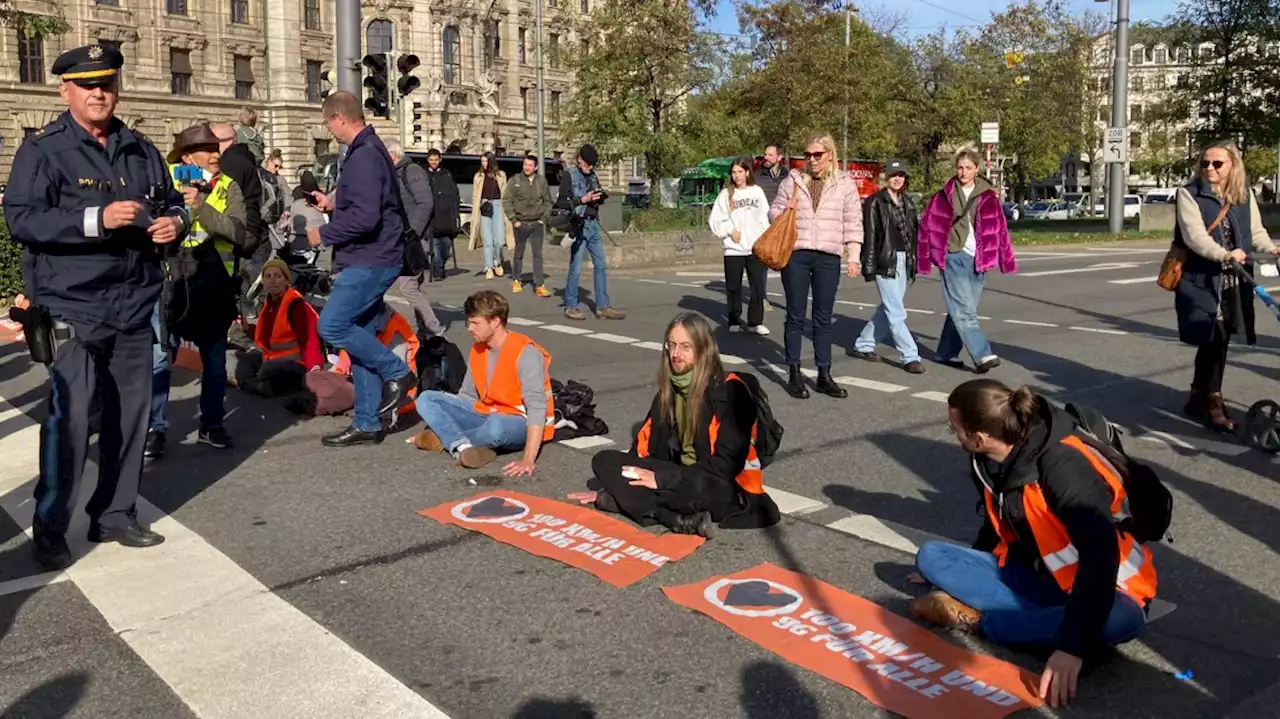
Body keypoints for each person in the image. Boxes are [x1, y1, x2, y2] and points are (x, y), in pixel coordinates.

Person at [3, 44, 186, 566]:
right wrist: (95, 220)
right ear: (66, 91)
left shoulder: (139, 146)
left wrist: (178, 222)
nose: (99, 93)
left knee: (130, 418)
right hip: (73, 306)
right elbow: (22, 220)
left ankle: (115, 515)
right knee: (73, 418)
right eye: (87, 85)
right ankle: (52, 523)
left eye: (107, 83)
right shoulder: (44, 149)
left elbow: (170, 200)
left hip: (133, 303)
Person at [912, 379, 1158, 709]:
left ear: (980, 436)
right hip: (1039, 577)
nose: (953, 433)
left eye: (954, 426)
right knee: (932, 557)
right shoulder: (987, 460)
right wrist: (962, 568)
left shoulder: (1063, 468)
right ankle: (1052, 624)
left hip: (1108, 587)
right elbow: (995, 522)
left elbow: (1100, 556)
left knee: (1120, 621)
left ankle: (983, 622)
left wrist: (1070, 648)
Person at [568, 312, 781, 536]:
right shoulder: (667, 392)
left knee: (693, 487)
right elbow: (642, 448)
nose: (675, 354)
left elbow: (725, 466)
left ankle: (638, 507)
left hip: (720, 485)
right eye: (671, 345)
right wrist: (616, 483)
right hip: (678, 475)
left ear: (703, 350)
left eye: (685, 347)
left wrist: (657, 481)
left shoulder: (731, 390)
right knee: (604, 461)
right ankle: (672, 518)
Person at [305, 91, 415, 447]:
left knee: (332, 324)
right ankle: (368, 422)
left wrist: (322, 233)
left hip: (370, 257)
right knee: (362, 335)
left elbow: (367, 217)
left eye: (328, 123)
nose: (330, 129)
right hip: (372, 255)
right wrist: (333, 202)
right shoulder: (368, 151)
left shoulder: (364, 155)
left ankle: (398, 372)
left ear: (339, 118)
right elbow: (367, 203)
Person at [149, 123, 252, 456]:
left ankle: (211, 425)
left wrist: (201, 208)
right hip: (172, 283)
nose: (214, 155)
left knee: (215, 361)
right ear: (186, 156)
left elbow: (239, 233)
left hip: (215, 284)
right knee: (162, 358)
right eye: (207, 150)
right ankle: (155, 428)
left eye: (216, 148)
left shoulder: (227, 186)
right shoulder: (166, 183)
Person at [1172, 139, 1280, 433]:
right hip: (1203, 278)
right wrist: (1224, 254)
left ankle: (1197, 395)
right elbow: (1195, 236)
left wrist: (1271, 249)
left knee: (1219, 338)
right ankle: (1213, 401)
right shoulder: (1189, 194)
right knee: (1213, 338)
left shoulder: (1243, 195)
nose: (1209, 168)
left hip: (1235, 279)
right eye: (1205, 162)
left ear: (1232, 165)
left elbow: (1255, 231)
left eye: (1217, 163)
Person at [412, 290, 554, 472]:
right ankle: (462, 447)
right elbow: (467, 396)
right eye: (469, 322)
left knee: (495, 428)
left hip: (518, 421)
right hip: (487, 413)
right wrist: (452, 410)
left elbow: (536, 408)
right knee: (426, 398)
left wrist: (528, 460)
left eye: (475, 322)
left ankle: (442, 438)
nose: (469, 328)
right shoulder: (478, 349)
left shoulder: (525, 352)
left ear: (495, 322)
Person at [769, 133, 862, 400]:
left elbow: (853, 220)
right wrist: (783, 211)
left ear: (830, 154)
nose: (811, 159)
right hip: (796, 254)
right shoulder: (794, 179)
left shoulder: (845, 183)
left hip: (828, 256)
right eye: (807, 154)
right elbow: (773, 210)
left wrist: (853, 255)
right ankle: (794, 373)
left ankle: (824, 374)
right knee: (795, 315)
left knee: (822, 317)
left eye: (817, 155)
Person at [917, 146, 1016, 374]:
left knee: (963, 308)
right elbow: (926, 228)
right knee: (965, 311)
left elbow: (1001, 229)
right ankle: (982, 354)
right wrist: (924, 260)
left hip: (979, 258)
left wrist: (1006, 259)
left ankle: (946, 352)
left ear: (977, 169)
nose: (963, 172)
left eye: (968, 168)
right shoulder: (944, 195)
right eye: (960, 168)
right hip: (953, 256)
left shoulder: (988, 195)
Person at [852, 159, 923, 374]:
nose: (898, 179)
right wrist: (869, 264)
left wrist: (915, 261)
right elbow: (871, 235)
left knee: (888, 309)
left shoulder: (908, 202)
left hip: (904, 259)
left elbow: (914, 235)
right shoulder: (875, 202)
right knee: (896, 311)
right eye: (894, 175)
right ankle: (910, 355)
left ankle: (863, 344)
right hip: (886, 261)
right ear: (886, 178)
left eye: (901, 175)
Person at [235, 258, 322, 398]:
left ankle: (256, 383)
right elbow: (268, 337)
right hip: (271, 357)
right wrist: (248, 329)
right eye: (268, 276)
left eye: (278, 276)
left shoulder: (295, 304)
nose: (272, 280)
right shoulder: (270, 302)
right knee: (239, 359)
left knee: (269, 368)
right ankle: (259, 385)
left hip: (294, 363)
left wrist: (315, 368)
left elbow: (310, 339)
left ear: (287, 280)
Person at [558, 144, 626, 321]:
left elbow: (597, 197)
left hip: (593, 224)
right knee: (576, 267)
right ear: (581, 160)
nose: (589, 168)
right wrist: (583, 199)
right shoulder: (570, 175)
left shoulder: (593, 176)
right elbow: (562, 203)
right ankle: (571, 306)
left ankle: (603, 306)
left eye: (591, 165)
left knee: (601, 265)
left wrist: (599, 197)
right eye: (586, 164)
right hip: (578, 225)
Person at [209, 121, 266, 332]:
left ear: (225, 142)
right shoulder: (244, 160)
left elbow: (220, 200)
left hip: (238, 233)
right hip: (249, 230)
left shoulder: (230, 163)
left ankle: (233, 329)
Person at [386, 140, 444, 338]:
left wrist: (412, 233)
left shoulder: (411, 171)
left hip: (414, 238)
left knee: (408, 285)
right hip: (410, 237)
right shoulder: (401, 172)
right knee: (414, 285)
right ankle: (426, 329)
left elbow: (425, 203)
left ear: (393, 155)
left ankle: (434, 329)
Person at [708, 157, 770, 334]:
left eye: (740, 172)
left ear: (747, 172)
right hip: (733, 249)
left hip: (755, 248)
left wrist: (765, 238)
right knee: (733, 287)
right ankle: (734, 319)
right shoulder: (726, 194)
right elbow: (715, 220)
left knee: (757, 286)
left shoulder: (757, 192)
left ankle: (755, 322)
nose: (737, 176)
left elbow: (765, 217)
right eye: (734, 172)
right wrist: (729, 230)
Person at [503, 154, 553, 297]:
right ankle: (516, 280)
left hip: (537, 223)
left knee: (538, 254)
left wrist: (543, 219)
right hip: (520, 223)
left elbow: (548, 202)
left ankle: (539, 285)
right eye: (525, 164)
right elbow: (506, 200)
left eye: (530, 165)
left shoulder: (541, 182)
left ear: (535, 167)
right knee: (519, 253)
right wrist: (514, 220)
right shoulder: (515, 180)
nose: (527, 167)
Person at [469, 151, 514, 279]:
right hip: (484, 206)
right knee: (487, 240)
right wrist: (475, 210)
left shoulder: (501, 175)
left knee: (499, 240)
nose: (483, 164)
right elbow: (474, 196)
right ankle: (489, 267)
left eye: (485, 161)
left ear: (491, 161)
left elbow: (505, 193)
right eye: (482, 161)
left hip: (499, 206)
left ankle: (497, 262)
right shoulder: (478, 176)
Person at [424, 148, 461, 280]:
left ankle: (441, 266)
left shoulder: (447, 175)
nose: (434, 162)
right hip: (432, 217)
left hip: (447, 217)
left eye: (436, 160)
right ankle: (438, 270)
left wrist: (456, 213)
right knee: (435, 246)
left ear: (440, 160)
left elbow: (455, 194)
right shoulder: (424, 175)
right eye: (431, 160)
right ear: (428, 160)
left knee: (445, 245)